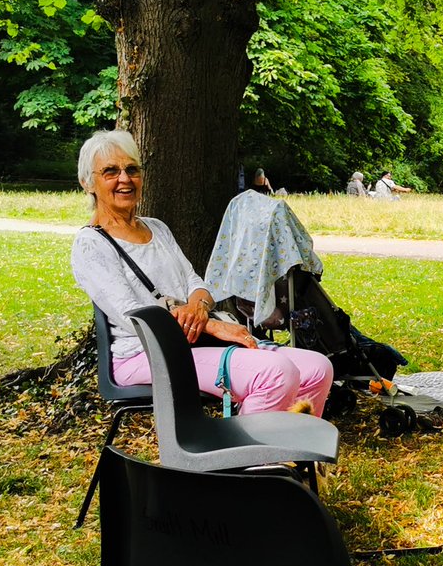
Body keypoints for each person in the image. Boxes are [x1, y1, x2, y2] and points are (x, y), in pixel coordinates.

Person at [71, 130, 333, 416]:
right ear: (88, 182)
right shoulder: (91, 244)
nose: (125, 179)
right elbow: (134, 315)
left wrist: (198, 306)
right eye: (110, 171)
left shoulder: (156, 228)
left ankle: (288, 454)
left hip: (193, 342)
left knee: (317, 368)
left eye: (132, 169)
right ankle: (247, 458)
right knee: (275, 373)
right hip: (144, 354)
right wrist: (211, 325)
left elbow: (196, 283)